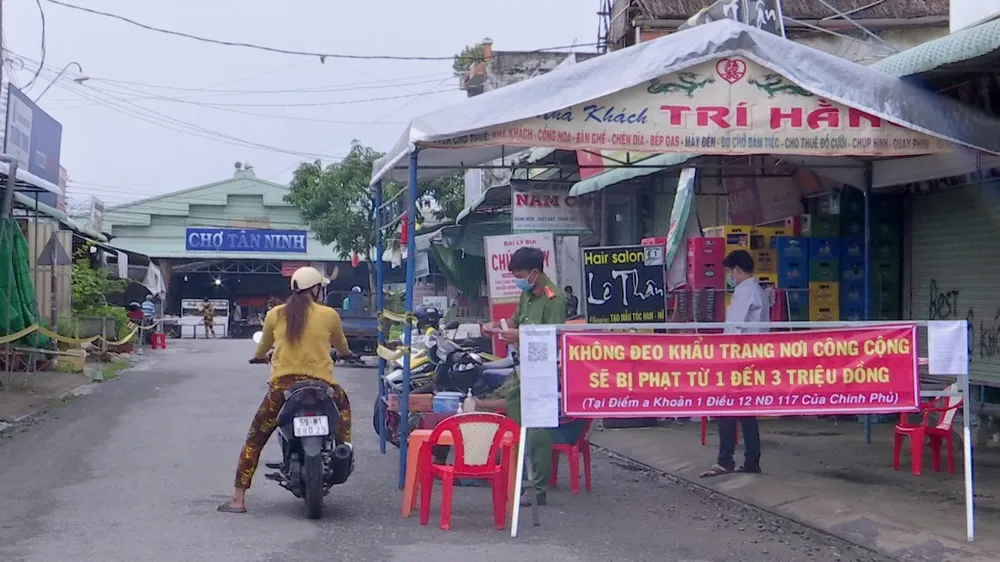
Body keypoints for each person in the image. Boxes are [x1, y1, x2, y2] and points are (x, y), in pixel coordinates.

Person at [218, 266, 354, 514]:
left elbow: (263, 349)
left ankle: (238, 499)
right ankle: (344, 450)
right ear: (315, 289)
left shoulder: (275, 314)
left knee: (255, 438)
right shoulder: (329, 314)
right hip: (321, 386)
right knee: (343, 406)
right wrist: (345, 354)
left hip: (283, 389)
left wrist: (259, 357)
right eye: (319, 287)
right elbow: (341, 345)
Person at [476, 246, 568, 507]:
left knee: (538, 431)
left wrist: (521, 336)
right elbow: (516, 322)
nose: (517, 280)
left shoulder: (553, 298)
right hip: (521, 368)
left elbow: (553, 337)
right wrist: (495, 327)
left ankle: (538, 487)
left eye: (519, 274)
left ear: (535, 273)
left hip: (542, 371)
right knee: (514, 423)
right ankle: (515, 477)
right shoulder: (527, 294)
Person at [700, 249, 766, 478]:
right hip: (752, 356)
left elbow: (735, 327)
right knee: (747, 411)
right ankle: (751, 460)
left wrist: (724, 356)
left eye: (730, 272)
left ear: (737, 270)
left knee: (726, 407)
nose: (730, 277)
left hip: (738, 357)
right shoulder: (758, 290)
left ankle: (725, 460)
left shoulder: (744, 291)